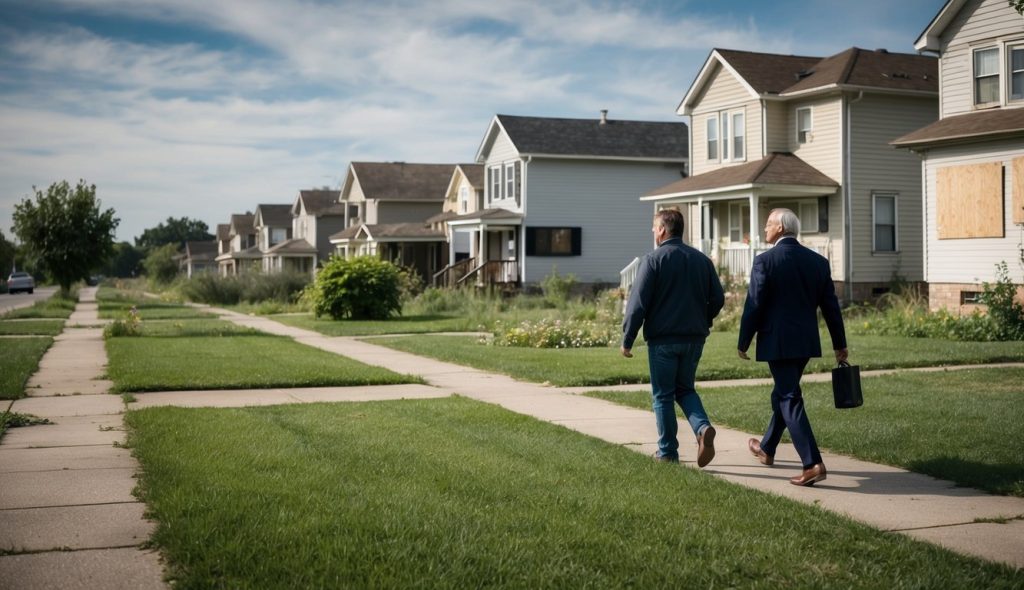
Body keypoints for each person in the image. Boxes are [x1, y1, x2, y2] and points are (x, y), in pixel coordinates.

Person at [737, 208, 848, 486]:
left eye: (768, 225)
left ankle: (812, 463)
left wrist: (743, 340)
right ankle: (767, 448)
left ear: (781, 228)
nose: (764, 230)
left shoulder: (765, 261)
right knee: (783, 394)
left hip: (778, 342)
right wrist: (839, 344)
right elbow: (831, 308)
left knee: (788, 397)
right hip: (805, 342)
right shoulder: (818, 262)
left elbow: (754, 304)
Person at [622, 209, 725, 467]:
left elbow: (638, 304)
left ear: (662, 230)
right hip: (694, 339)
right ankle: (702, 429)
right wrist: (704, 320)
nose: (653, 232)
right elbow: (719, 298)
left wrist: (628, 337)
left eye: (654, 228)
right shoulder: (702, 260)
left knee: (663, 395)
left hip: (663, 341)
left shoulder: (653, 260)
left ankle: (667, 452)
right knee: (685, 389)